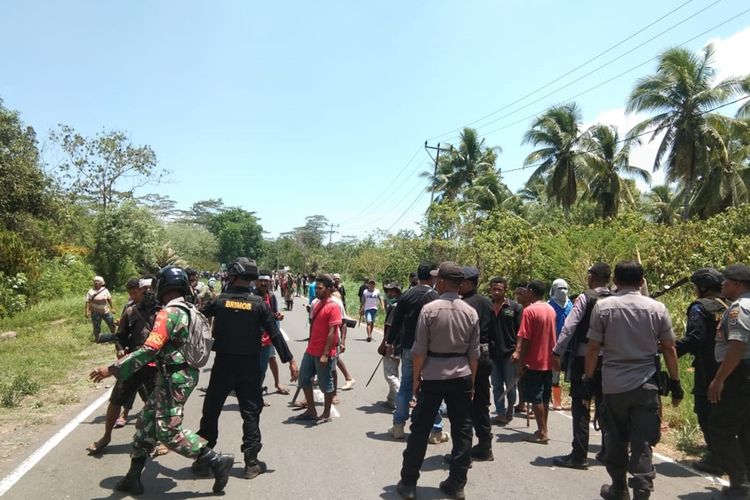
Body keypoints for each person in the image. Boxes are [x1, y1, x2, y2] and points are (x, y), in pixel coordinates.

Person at [89, 266, 234, 496]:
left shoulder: (168, 313)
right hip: (177, 374)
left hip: (175, 377)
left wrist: (113, 369)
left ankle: (215, 460)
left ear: (161, 287)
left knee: (167, 430)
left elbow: (150, 348)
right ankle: (132, 478)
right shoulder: (187, 307)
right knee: (146, 422)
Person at [584, 260, 682, 500]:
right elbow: (669, 348)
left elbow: (593, 346)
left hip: (613, 385)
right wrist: (676, 381)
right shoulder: (657, 308)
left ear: (615, 282)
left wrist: (588, 379)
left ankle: (619, 488)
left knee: (615, 438)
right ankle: (642, 492)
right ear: (641, 282)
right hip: (646, 384)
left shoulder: (603, 307)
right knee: (642, 442)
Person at [198, 258, 299, 479]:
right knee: (250, 413)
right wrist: (289, 360)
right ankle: (251, 463)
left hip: (223, 364)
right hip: (249, 367)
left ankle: (204, 458)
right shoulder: (259, 304)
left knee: (211, 411)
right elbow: (275, 334)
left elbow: (196, 319)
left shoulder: (219, 301)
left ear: (232, 276)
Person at [396, 262, 479, 500]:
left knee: (420, 429)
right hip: (462, 375)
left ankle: (409, 483)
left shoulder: (430, 310)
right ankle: (456, 484)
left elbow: (419, 349)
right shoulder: (470, 312)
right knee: (463, 431)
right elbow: (474, 354)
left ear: (441, 282)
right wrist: (471, 381)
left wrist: (416, 379)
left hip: (433, 375)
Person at [87, 278, 159, 455]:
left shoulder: (162, 311)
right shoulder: (130, 311)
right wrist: (120, 349)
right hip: (131, 363)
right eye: (132, 293)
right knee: (116, 400)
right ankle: (106, 436)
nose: (136, 295)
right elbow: (121, 336)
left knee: (156, 404)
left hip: (153, 364)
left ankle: (160, 440)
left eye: (139, 292)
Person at [551, 263, 612, 470]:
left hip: (584, 359)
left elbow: (569, 326)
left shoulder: (586, 298)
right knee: (607, 406)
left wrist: (557, 351)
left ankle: (579, 455)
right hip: (610, 361)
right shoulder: (616, 298)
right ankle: (607, 451)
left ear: (591, 277)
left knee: (581, 407)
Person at [386, 263, 446, 442]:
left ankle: (398, 426)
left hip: (408, 347)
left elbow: (396, 322)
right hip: (430, 349)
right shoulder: (436, 296)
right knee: (431, 388)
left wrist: (390, 342)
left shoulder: (407, 295)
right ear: (432, 277)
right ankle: (435, 430)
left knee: (405, 385)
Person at [676, 268, 727, 475]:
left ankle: (716, 457)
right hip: (728, 366)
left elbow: (695, 338)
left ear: (703, 288)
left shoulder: (699, 308)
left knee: (704, 409)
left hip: (707, 368)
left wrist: (670, 350)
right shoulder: (729, 305)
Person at [707, 264, 750, 499]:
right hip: (745, 373)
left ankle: (739, 484)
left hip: (738, 375)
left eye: (726, 281)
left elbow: (737, 346)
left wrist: (719, 379)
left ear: (737, 284)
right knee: (744, 427)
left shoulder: (740, 308)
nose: (722, 285)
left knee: (720, 428)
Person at [512, 280, 556, 444]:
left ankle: (542, 432)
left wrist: (521, 361)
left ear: (531, 292)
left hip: (534, 361)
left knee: (536, 397)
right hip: (548, 360)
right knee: (544, 397)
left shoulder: (529, 311)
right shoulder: (550, 309)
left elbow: (525, 339)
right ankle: (543, 428)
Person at [459, 266, 497, 461]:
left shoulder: (465, 304)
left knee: (465, 406)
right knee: (481, 404)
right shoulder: (486, 302)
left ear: (468, 283)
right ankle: (484, 445)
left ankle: (463, 453)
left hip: (468, 359)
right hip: (485, 358)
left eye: (461, 282)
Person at [295, 274, 341, 423]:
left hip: (323, 353)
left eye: (320, 288)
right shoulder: (316, 304)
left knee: (325, 384)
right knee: (303, 379)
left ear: (328, 289)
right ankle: (311, 410)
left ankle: (326, 413)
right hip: (311, 350)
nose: (316, 290)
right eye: (316, 288)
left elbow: (332, 332)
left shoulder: (333, 306)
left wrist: (326, 354)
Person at [489, 276, 523, 425]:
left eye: (499, 289)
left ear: (505, 290)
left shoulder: (515, 308)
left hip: (510, 353)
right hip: (493, 353)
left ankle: (510, 407)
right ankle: (500, 412)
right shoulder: (487, 306)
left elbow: (521, 332)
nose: (496, 292)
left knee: (510, 384)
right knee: (496, 384)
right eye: (494, 289)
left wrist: (518, 351)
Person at [255, 270, 290, 396]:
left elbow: (273, 313)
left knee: (271, 358)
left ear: (270, 282)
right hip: (254, 337)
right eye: (261, 280)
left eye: (266, 281)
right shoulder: (252, 297)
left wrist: (278, 316)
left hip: (269, 335)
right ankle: (254, 392)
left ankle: (277, 383)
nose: (263, 283)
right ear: (256, 282)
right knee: (257, 367)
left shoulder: (271, 296)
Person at [549, 278, 573, 410]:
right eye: (559, 289)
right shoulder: (550, 305)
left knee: (569, 373)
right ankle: (555, 401)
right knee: (554, 373)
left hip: (569, 345)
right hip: (554, 345)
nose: (563, 291)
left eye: (565, 288)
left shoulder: (571, 305)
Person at [380, 282, 403, 408]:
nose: (388, 293)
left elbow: (389, 328)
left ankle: (402, 398)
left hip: (392, 343)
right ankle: (391, 399)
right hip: (400, 343)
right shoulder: (404, 305)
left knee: (389, 374)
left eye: (390, 291)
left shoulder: (394, 307)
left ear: (395, 291)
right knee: (393, 371)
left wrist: (385, 344)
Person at [85, 276, 116, 343]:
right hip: (95, 312)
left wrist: (112, 308)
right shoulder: (91, 291)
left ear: (101, 283)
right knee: (96, 327)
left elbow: (109, 299)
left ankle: (114, 337)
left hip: (106, 311)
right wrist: (87, 311)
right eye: (95, 282)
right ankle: (98, 339)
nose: (96, 283)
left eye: (97, 282)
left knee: (111, 324)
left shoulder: (105, 290)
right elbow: (87, 302)